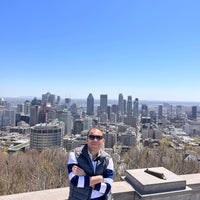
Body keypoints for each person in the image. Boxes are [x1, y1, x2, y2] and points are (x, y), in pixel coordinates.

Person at [67, 127, 114, 200]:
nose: (95, 140)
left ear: (103, 141)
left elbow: (107, 188)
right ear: (87, 139)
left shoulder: (107, 159)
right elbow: (75, 181)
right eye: (92, 137)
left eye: (99, 138)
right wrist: (99, 178)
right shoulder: (75, 154)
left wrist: (84, 175)